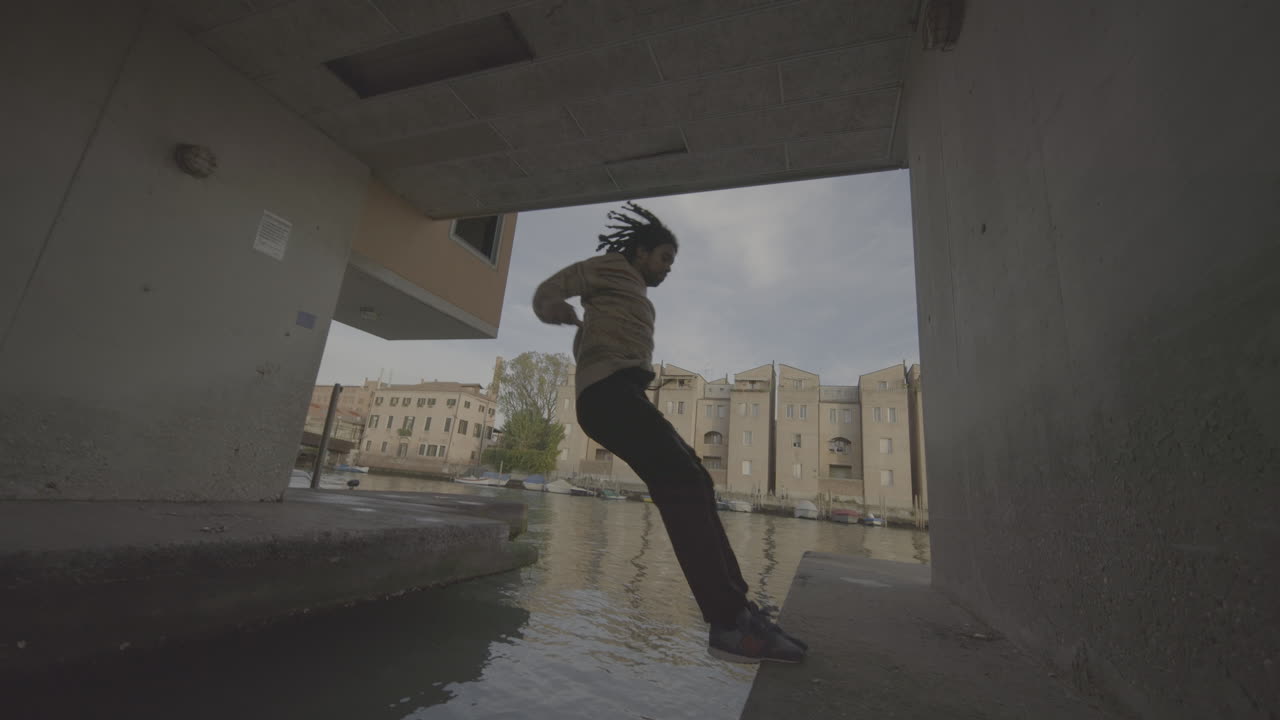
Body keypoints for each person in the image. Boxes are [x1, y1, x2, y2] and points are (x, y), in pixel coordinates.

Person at [532, 202, 807, 664]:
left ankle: (738, 611)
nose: (667, 269)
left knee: (695, 480)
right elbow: (550, 288)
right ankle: (727, 622)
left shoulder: (638, 293)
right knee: (681, 481)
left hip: (626, 395)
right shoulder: (609, 267)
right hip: (604, 394)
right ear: (640, 252)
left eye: (671, 263)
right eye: (663, 258)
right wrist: (552, 307)